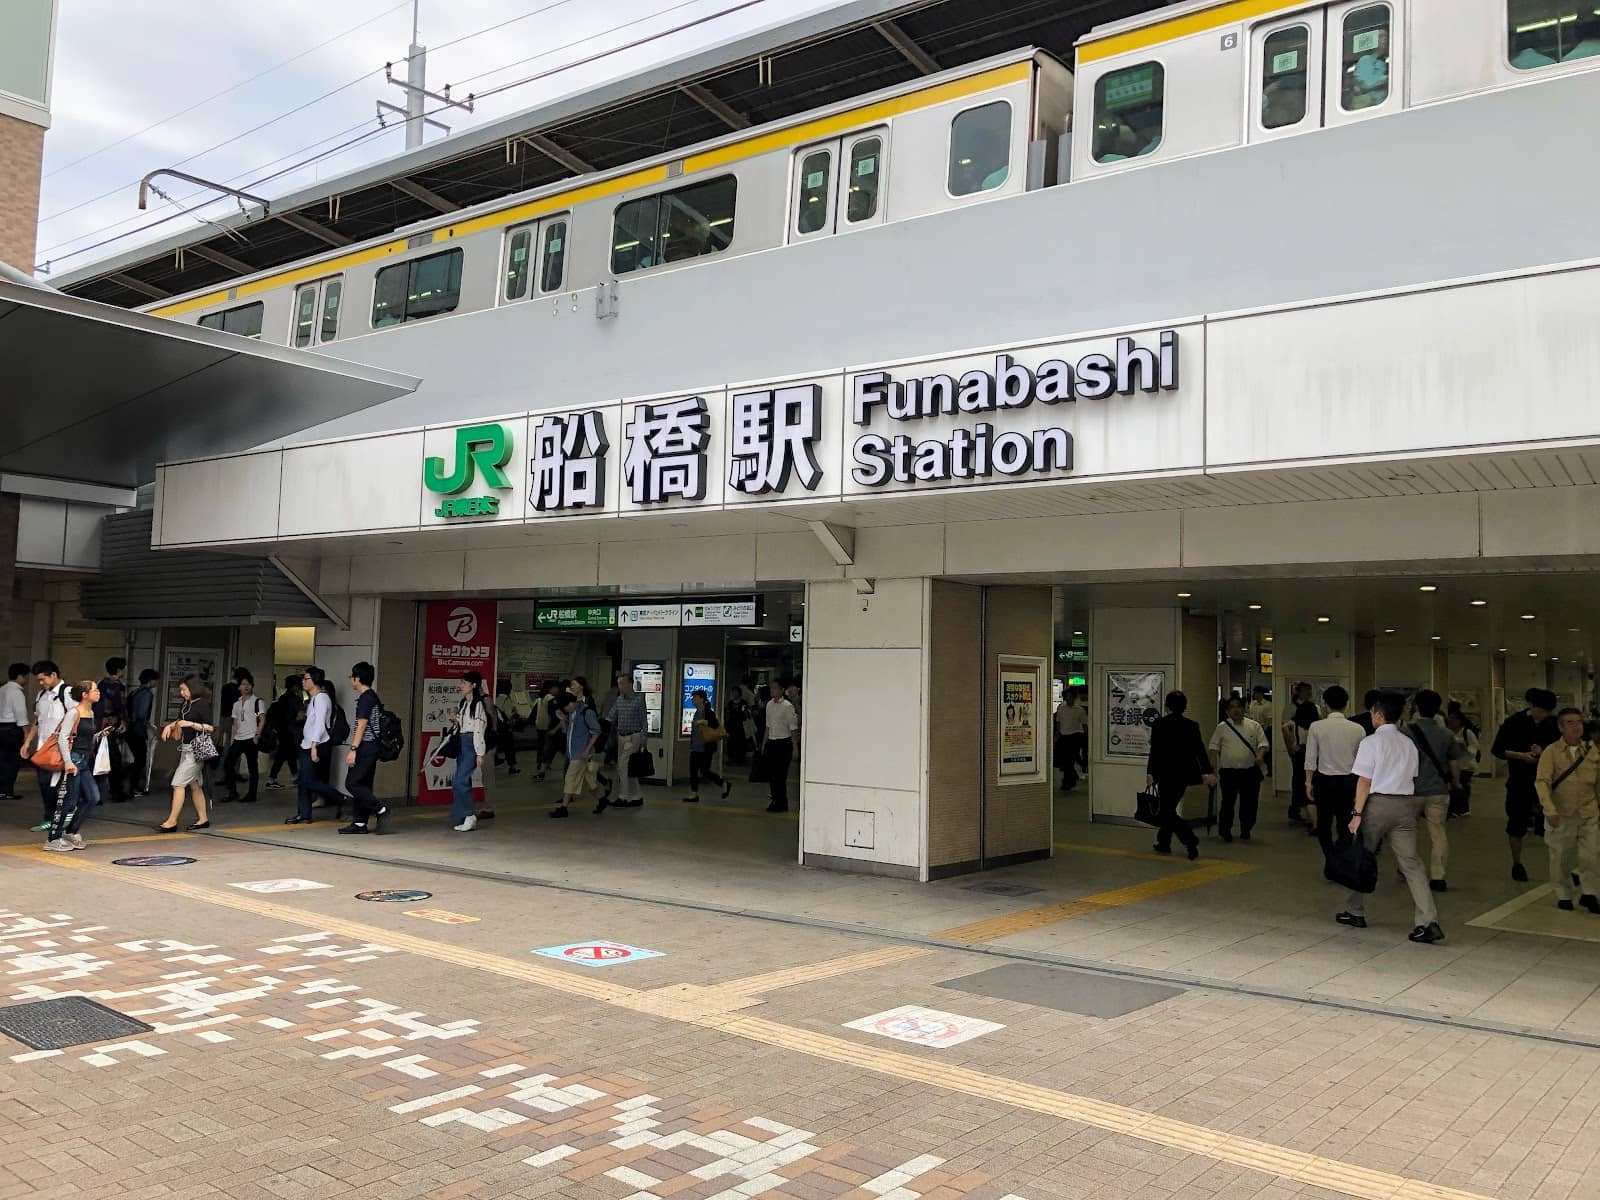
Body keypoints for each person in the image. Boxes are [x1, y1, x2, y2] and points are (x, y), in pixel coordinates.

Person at [1338, 691, 1443, 943]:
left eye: (1373, 713)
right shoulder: (1408, 743)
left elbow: (1364, 782)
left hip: (1377, 805)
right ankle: (1428, 921)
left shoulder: (1371, 742)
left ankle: (1355, 911)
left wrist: (1356, 813)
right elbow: (1413, 776)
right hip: (1406, 807)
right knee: (1412, 864)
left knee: (1362, 856)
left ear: (1379, 714)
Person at [1534, 707, 1600, 914]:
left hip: (1588, 811)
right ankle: (1563, 893)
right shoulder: (1551, 752)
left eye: (1579, 722)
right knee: (1560, 857)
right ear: (1561, 727)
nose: (1576, 726)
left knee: (1592, 855)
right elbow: (1542, 782)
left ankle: (1590, 893)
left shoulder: (1591, 750)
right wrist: (1549, 809)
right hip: (1561, 813)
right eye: (1570, 722)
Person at [1492, 687, 1560, 882]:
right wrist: (1521, 756)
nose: (1544, 714)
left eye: (1548, 711)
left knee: (1555, 823)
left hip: (1548, 782)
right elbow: (1497, 749)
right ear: (1531, 706)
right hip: (1519, 781)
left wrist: (1543, 753)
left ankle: (1558, 865)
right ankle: (1517, 863)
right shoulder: (1514, 722)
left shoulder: (1553, 724)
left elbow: (1560, 749)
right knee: (1516, 823)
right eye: (1542, 710)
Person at [1144, 691, 1213, 860]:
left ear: (1167, 706)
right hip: (1184, 775)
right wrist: (1207, 771)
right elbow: (1200, 751)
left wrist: (1150, 772)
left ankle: (1189, 840)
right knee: (1168, 808)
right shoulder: (1191, 725)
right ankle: (1164, 842)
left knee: (1166, 811)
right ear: (1184, 707)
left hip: (1164, 774)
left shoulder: (1159, 724)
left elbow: (1155, 751)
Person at [1403, 689, 1461, 893]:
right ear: (1438, 709)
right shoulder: (1446, 734)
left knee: (1407, 832)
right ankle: (1438, 876)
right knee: (1438, 833)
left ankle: (1407, 868)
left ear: (1417, 707)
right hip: (1438, 790)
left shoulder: (1405, 732)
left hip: (1411, 790)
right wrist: (1456, 783)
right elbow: (1454, 763)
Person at [1305, 685, 1365, 856]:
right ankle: (1341, 855)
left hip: (1324, 781)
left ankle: (1330, 856)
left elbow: (1310, 758)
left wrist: (1308, 782)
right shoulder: (1358, 729)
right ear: (1346, 704)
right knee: (1345, 823)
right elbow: (1362, 761)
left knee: (1323, 823)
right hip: (1348, 782)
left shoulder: (1316, 726)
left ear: (1325, 704)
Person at [45, 681, 104, 851]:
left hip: (84, 760)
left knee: (93, 797)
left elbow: (84, 736)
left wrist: (99, 735)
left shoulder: (90, 713)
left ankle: (71, 831)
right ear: (85, 695)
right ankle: (53, 839)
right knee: (69, 801)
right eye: (95, 690)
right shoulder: (73, 713)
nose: (98, 692)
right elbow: (63, 738)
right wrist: (68, 762)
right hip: (74, 760)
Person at [156, 676, 214, 833]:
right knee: (194, 785)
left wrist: (191, 724)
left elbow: (210, 728)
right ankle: (203, 819)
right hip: (186, 748)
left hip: (196, 750)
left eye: (184, 689)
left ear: (193, 688)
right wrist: (170, 726)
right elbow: (180, 720)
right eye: (181, 690)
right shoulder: (186, 704)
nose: (182, 693)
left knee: (178, 784)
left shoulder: (202, 704)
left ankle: (172, 821)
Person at [337, 662, 389, 835]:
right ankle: (360, 822)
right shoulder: (372, 696)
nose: (351, 680)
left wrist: (353, 749)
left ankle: (380, 809)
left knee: (352, 783)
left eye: (351, 677)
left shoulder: (366, 698)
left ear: (357, 679)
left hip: (365, 747)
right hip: (372, 747)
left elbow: (361, 725)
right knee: (363, 784)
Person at [20, 661, 72, 833]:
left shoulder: (68, 693)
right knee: (44, 785)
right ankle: (49, 818)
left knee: (60, 786)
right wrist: (27, 742)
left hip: (61, 749)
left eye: (43, 679)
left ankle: (62, 819)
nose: (41, 683)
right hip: (42, 750)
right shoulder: (41, 695)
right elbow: (37, 721)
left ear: (53, 675)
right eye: (39, 680)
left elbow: (77, 720)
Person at [1209, 696, 1268, 843]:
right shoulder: (1222, 727)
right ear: (1227, 711)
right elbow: (1214, 747)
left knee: (1249, 803)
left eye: (1238, 706)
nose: (1235, 710)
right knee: (1227, 803)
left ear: (1244, 708)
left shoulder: (1254, 725)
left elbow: (1263, 744)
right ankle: (1225, 831)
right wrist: (1212, 764)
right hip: (1229, 772)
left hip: (1249, 772)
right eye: (1232, 707)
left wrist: (1260, 756)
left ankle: (1246, 828)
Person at [286, 667, 340, 825]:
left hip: (315, 744)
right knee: (303, 781)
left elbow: (320, 724)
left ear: (315, 680)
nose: (303, 681)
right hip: (307, 743)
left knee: (308, 781)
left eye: (306, 678)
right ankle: (304, 814)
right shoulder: (314, 699)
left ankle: (340, 798)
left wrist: (314, 746)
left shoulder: (321, 698)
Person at [449, 671, 491, 832]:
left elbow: (479, 729)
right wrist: (456, 719)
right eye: (461, 683)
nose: (461, 686)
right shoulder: (464, 703)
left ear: (473, 685)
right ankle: (462, 817)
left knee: (460, 781)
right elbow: (465, 725)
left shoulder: (478, 705)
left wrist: (480, 753)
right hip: (462, 742)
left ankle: (469, 815)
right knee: (462, 781)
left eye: (464, 683)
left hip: (471, 744)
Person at [549, 689, 601, 819]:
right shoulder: (571, 714)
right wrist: (563, 719)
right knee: (590, 782)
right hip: (574, 752)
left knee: (570, 778)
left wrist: (587, 750)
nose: (565, 709)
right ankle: (602, 800)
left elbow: (596, 731)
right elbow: (567, 732)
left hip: (581, 753)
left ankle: (564, 808)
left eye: (566, 707)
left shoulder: (586, 712)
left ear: (571, 703)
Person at [220, 671, 265, 803]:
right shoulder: (236, 704)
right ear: (239, 687)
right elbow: (235, 723)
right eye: (243, 684)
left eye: (248, 684)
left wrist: (257, 735)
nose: (246, 687)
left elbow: (262, 719)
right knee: (228, 764)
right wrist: (232, 739)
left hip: (251, 738)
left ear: (252, 686)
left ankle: (252, 794)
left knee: (252, 768)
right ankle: (232, 792)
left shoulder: (257, 701)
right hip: (238, 739)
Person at [606, 672, 649, 810]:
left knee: (622, 766)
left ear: (630, 684)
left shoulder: (638, 700)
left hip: (634, 737)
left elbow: (644, 720)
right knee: (630, 768)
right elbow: (610, 717)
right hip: (621, 737)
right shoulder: (619, 700)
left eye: (622, 683)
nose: (620, 686)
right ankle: (637, 796)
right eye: (618, 683)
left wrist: (644, 738)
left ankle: (624, 797)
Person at [683, 689, 732, 804]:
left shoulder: (708, 712)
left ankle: (723, 783)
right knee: (693, 770)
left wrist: (704, 722)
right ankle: (694, 793)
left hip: (705, 747)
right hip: (695, 746)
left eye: (695, 697)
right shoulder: (696, 712)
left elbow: (714, 724)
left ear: (702, 699)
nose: (693, 700)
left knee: (704, 771)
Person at [1281, 682, 1318, 827]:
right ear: (1298, 692)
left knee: (1300, 781)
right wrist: (1290, 748)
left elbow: (1286, 727)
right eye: (1306, 691)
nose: (1309, 694)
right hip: (1306, 753)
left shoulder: (1310, 708)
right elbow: (1285, 727)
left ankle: (1302, 810)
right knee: (1303, 782)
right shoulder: (1291, 708)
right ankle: (1300, 810)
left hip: (1302, 753)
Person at [94, 657, 129, 803]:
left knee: (98, 757)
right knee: (114, 760)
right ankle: (115, 792)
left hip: (98, 725)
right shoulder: (117, 686)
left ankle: (94, 793)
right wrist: (123, 721)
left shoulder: (100, 684)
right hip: (110, 725)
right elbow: (120, 706)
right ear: (119, 670)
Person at [761, 685, 799, 813]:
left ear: (782, 690)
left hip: (784, 743)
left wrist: (795, 747)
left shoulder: (787, 706)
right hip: (772, 742)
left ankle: (782, 802)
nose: (773, 691)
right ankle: (775, 800)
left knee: (780, 775)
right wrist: (764, 743)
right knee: (772, 775)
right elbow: (768, 726)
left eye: (776, 688)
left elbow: (793, 727)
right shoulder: (769, 705)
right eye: (772, 689)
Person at [263, 674, 304, 790]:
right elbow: (299, 716)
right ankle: (272, 779)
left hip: (282, 730)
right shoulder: (295, 700)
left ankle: (294, 777)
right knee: (283, 754)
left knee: (288, 754)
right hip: (291, 731)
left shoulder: (282, 698)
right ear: (295, 686)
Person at [125, 668, 160, 798]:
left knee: (138, 758)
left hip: (129, 729)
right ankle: (133, 787)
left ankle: (131, 784)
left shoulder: (134, 692)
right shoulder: (147, 694)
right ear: (150, 681)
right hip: (138, 730)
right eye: (156, 680)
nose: (156, 683)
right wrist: (149, 726)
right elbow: (141, 714)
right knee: (140, 760)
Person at [0, 662, 28, 800]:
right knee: (12, 761)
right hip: (11, 729)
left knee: (1, 760)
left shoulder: (2, 689)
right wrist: (26, 734)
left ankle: (1, 790)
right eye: (25, 676)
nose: (26, 680)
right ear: (20, 676)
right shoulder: (16, 692)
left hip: (0, 728)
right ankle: (7, 791)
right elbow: (20, 714)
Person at [1445, 709, 1479, 817]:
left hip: (1466, 765)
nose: (1451, 721)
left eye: (1454, 719)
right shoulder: (1447, 732)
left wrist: (1465, 748)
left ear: (1460, 720)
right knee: (1453, 786)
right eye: (1449, 719)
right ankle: (1456, 809)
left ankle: (1462, 809)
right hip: (1452, 765)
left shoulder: (1467, 733)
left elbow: (1474, 749)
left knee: (1461, 785)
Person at [1054, 688, 1087, 789]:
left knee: (1070, 759)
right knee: (1066, 760)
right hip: (1064, 736)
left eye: (1070, 697)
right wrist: (1057, 735)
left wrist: (1086, 737)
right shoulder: (1061, 708)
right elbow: (1058, 722)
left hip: (1075, 736)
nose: (1068, 699)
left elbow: (1084, 724)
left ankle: (1067, 782)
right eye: (1067, 697)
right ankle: (1071, 778)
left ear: (1074, 697)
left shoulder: (1079, 710)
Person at [494, 679, 521, 775]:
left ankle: (494, 762)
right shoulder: (506, 700)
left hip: (495, 728)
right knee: (509, 749)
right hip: (504, 729)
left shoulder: (494, 698)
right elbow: (510, 715)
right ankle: (512, 767)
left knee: (494, 747)